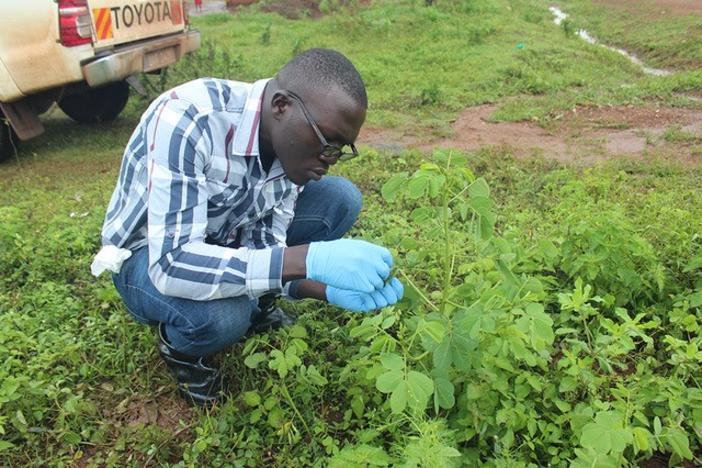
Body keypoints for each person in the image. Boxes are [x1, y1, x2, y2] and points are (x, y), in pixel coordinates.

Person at [90, 48, 403, 407]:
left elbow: (266, 248)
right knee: (224, 315)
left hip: (222, 238)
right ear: (281, 106)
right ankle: (183, 351)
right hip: (147, 256)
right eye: (327, 143)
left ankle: (260, 310)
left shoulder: (291, 151)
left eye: (341, 150)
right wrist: (307, 258)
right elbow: (172, 264)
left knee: (339, 198)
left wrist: (323, 290)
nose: (329, 160)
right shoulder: (190, 118)